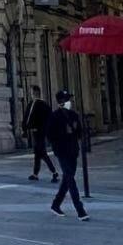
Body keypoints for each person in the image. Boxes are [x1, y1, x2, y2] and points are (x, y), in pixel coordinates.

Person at [45, 88, 88, 220]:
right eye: (66, 99)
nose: (69, 101)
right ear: (60, 102)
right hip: (62, 152)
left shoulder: (74, 115)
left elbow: (79, 132)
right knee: (70, 179)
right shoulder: (54, 117)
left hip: (73, 151)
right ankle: (80, 210)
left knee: (67, 179)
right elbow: (50, 136)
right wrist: (60, 142)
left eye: (69, 99)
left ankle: (56, 204)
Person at [25, 86, 58, 182]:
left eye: (31, 92)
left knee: (42, 153)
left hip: (38, 132)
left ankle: (54, 172)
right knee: (37, 154)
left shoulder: (37, 104)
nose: (30, 94)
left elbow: (29, 118)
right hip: (39, 132)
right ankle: (35, 174)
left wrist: (28, 128)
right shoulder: (40, 104)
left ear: (35, 93)